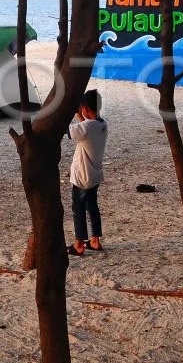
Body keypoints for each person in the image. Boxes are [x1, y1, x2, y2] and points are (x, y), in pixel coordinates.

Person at [67, 89, 108, 256]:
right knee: (92, 207)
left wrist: (70, 113)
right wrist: (80, 116)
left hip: (82, 176)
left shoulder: (86, 127)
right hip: (95, 175)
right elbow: (86, 127)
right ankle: (95, 240)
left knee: (78, 208)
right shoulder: (102, 124)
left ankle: (79, 244)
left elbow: (69, 131)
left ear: (84, 107)